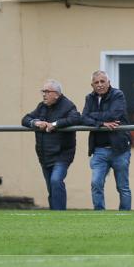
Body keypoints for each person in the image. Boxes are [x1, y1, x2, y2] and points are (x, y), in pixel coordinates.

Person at [21, 79, 82, 210]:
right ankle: (54, 214)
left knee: (56, 181)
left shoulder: (68, 105)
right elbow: (25, 119)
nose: (44, 94)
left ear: (57, 94)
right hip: (44, 154)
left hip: (62, 154)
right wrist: (36, 123)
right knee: (51, 187)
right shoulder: (41, 106)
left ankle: (59, 214)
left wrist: (54, 125)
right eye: (43, 91)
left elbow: (76, 118)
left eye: (47, 91)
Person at [81, 70, 132, 210]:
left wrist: (93, 116)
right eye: (96, 82)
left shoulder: (118, 94)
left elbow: (114, 114)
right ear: (92, 85)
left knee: (123, 187)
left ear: (109, 82)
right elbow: (83, 118)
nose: (100, 85)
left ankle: (125, 216)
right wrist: (102, 124)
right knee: (96, 183)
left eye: (102, 81)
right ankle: (99, 214)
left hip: (120, 149)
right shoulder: (89, 98)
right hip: (99, 150)